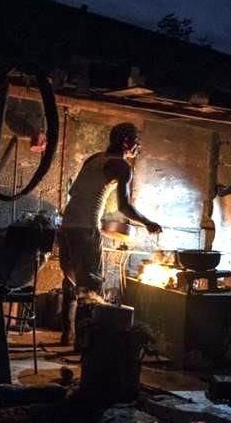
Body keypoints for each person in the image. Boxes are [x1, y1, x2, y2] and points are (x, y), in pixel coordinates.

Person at [58, 122, 162, 345]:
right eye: (136, 140)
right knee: (92, 286)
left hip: (67, 225)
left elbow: (75, 191)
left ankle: (66, 335)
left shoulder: (95, 158)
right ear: (125, 142)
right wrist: (147, 222)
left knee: (70, 279)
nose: (138, 145)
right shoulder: (123, 166)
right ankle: (85, 344)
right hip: (86, 227)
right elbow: (124, 207)